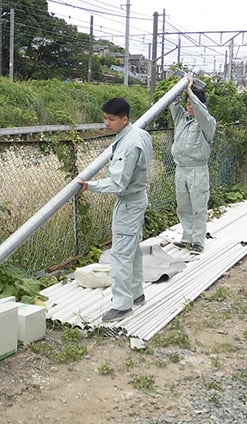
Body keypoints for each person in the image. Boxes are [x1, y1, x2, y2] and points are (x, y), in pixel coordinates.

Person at [78, 97, 153, 323]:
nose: (106, 123)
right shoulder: (140, 134)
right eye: (104, 118)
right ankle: (136, 293)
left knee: (120, 254)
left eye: (111, 119)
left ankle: (122, 305)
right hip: (138, 199)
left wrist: (90, 186)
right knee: (133, 249)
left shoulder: (129, 144)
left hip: (129, 204)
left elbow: (118, 183)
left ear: (124, 119)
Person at [168, 75, 216, 254]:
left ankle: (198, 241)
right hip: (181, 168)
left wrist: (190, 90)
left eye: (192, 103)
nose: (189, 106)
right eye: (187, 103)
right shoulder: (182, 119)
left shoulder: (207, 123)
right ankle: (187, 238)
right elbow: (172, 102)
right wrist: (181, 84)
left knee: (198, 206)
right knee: (184, 206)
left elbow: (200, 110)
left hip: (197, 171)